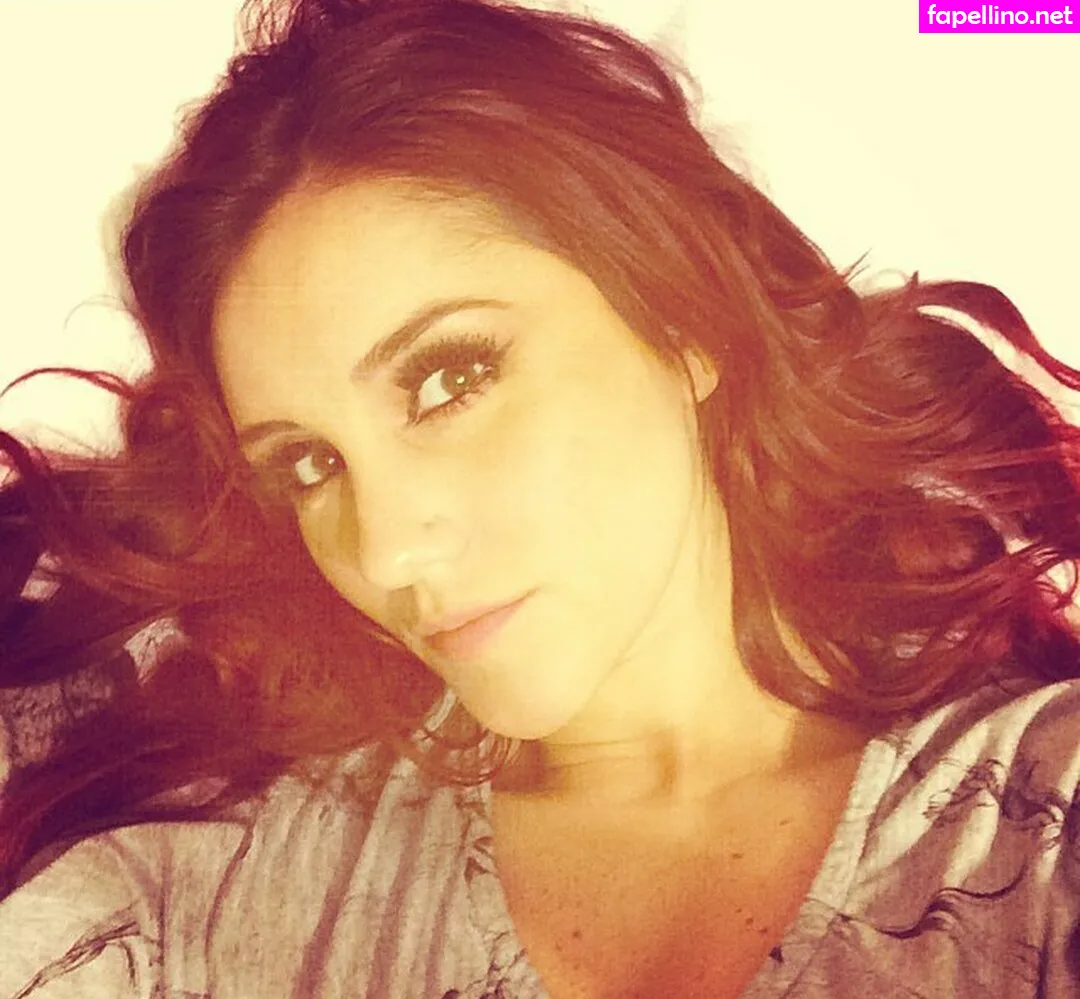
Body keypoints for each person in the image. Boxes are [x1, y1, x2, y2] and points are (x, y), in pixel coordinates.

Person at [2, 0, 1080, 996]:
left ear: (683, 315)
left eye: (449, 380)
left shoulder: (1034, 830)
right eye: (310, 464)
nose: (386, 552)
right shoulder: (219, 880)